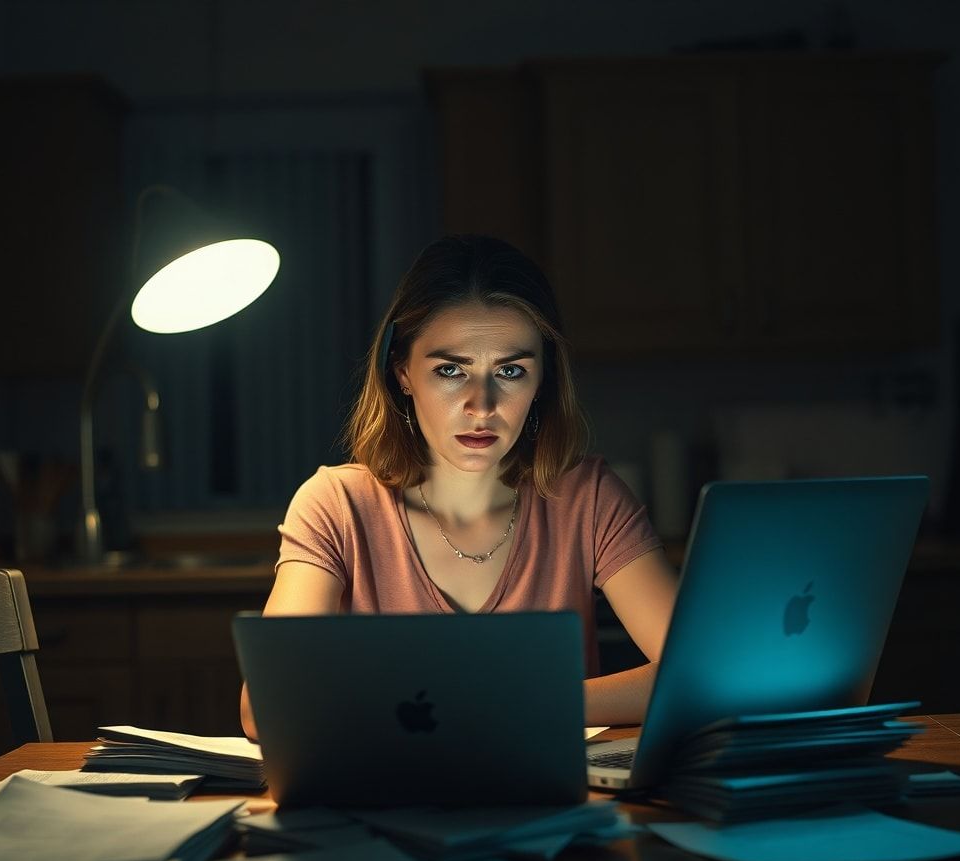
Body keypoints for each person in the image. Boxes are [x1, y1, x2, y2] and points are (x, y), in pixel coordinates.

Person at [240, 234, 678, 739]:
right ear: (402, 371)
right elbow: (265, 707)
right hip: (384, 799)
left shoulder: (588, 498)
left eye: (510, 371)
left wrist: (509, 700)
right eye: (451, 370)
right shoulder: (335, 505)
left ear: (543, 382)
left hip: (546, 803)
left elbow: (699, 673)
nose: (482, 405)